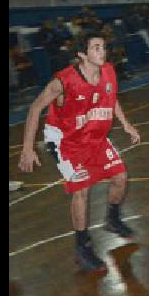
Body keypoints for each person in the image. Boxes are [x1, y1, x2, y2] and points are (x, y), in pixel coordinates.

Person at [17, 32, 142, 272]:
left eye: (103, 47)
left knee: (120, 177)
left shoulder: (108, 71)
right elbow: (35, 108)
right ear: (82, 54)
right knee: (81, 189)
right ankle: (82, 247)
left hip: (94, 137)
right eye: (96, 48)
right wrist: (27, 148)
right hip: (65, 142)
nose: (102, 52)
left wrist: (125, 124)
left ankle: (112, 219)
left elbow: (111, 96)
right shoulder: (63, 82)